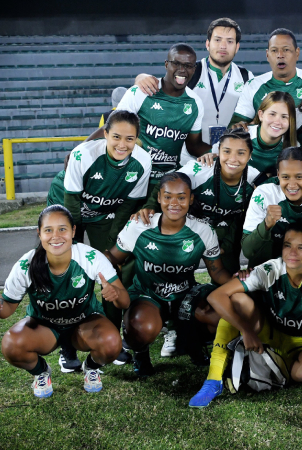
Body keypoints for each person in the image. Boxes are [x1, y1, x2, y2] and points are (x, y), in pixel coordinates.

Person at [188, 224, 302, 407]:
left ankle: (263, 365)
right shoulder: (271, 269)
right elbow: (216, 296)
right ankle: (213, 381)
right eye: (288, 245)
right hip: (268, 333)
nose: (293, 252)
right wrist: (246, 330)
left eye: (301, 247)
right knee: (239, 300)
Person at [104, 172, 234, 376]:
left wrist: (241, 281)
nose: (174, 203)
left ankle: (193, 344)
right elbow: (112, 258)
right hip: (148, 295)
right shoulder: (139, 226)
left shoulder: (203, 230)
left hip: (185, 296)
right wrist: (90, 267)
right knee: (142, 327)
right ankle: (141, 353)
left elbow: (217, 272)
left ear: (190, 199)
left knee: (220, 314)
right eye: (168, 196)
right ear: (159, 198)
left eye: (181, 197)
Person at [1, 205, 130, 397]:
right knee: (12, 345)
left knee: (112, 343)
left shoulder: (91, 257)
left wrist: (116, 295)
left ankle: (91, 367)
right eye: (48, 230)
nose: (56, 236)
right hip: (45, 327)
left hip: (83, 324)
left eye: (62, 229)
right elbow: (6, 310)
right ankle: (41, 372)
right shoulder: (25, 265)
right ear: (39, 233)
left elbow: (125, 302)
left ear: (73, 231)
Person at [61, 111, 152, 367]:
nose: (122, 144)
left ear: (137, 139)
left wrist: (112, 247)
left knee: (112, 270)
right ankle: (66, 346)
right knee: (66, 274)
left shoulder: (143, 161)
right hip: (69, 209)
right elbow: (71, 206)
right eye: (116, 137)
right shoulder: (84, 154)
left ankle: (109, 338)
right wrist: (74, 247)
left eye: (129, 138)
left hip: (104, 214)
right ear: (105, 134)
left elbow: (129, 205)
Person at [135, 128, 260, 276]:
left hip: (226, 232)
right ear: (218, 152)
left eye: (241, 153)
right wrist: (150, 206)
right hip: (191, 225)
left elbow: (243, 218)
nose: (233, 159)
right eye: (227, 151)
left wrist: (227, 245)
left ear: (250, 155)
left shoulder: (255, 179)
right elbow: (168, 182)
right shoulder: (200, 169)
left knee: (227, 277)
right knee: (172, 274)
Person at [87, 44, 210, 193]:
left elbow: (193, 145)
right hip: (131, 175)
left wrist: (219, 153)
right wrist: (80, 152)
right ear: (166, 64)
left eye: (188, 65)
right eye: (176, 63)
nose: (182, 69)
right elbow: (111, 127)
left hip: (165, 181)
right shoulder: (142, 91)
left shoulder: (195, 103)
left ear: (194, 69)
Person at [134, 18, 252, 165]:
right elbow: (163, 83)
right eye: (217, 40)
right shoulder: (190, 72)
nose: (223, 46)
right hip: (189, 159)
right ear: (208, 44)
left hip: (227, 159)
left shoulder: (246, 77)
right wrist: (141, 77)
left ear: (237, 47)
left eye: (229, 41)